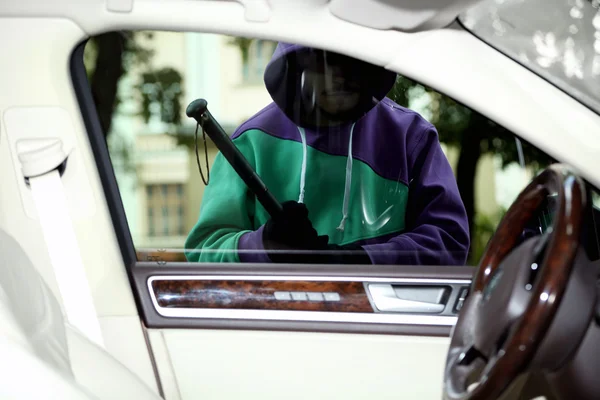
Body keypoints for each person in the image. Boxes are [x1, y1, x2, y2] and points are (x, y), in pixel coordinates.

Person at [185, 43, 470, 265]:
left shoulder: (411, 137)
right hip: (276, 327)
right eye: (326, 60)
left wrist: (359, 260)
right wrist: (263, 244)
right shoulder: (250, 144)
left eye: (352, 58)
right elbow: (203, 249)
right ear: (298, 63)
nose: (340, 75)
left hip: (385, 327)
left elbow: (448, 240)